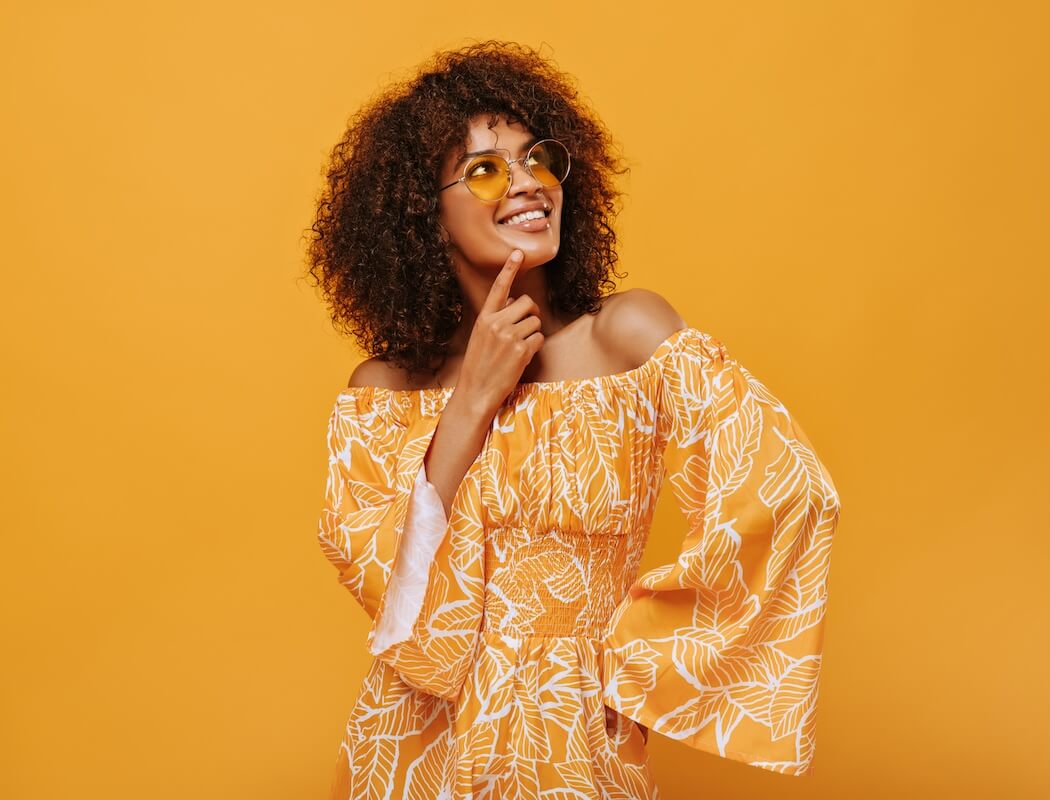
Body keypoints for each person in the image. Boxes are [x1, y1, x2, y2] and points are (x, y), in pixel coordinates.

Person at [306, 40, 842, 800]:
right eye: (487, 168)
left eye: (539, 159)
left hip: (571, 747)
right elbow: (396, 613)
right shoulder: (385, 389)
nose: (528, 184)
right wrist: (470, 404)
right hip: (411, 757)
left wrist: (636, 666)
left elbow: (788, 488)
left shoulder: (624, 338)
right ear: (425, 215)